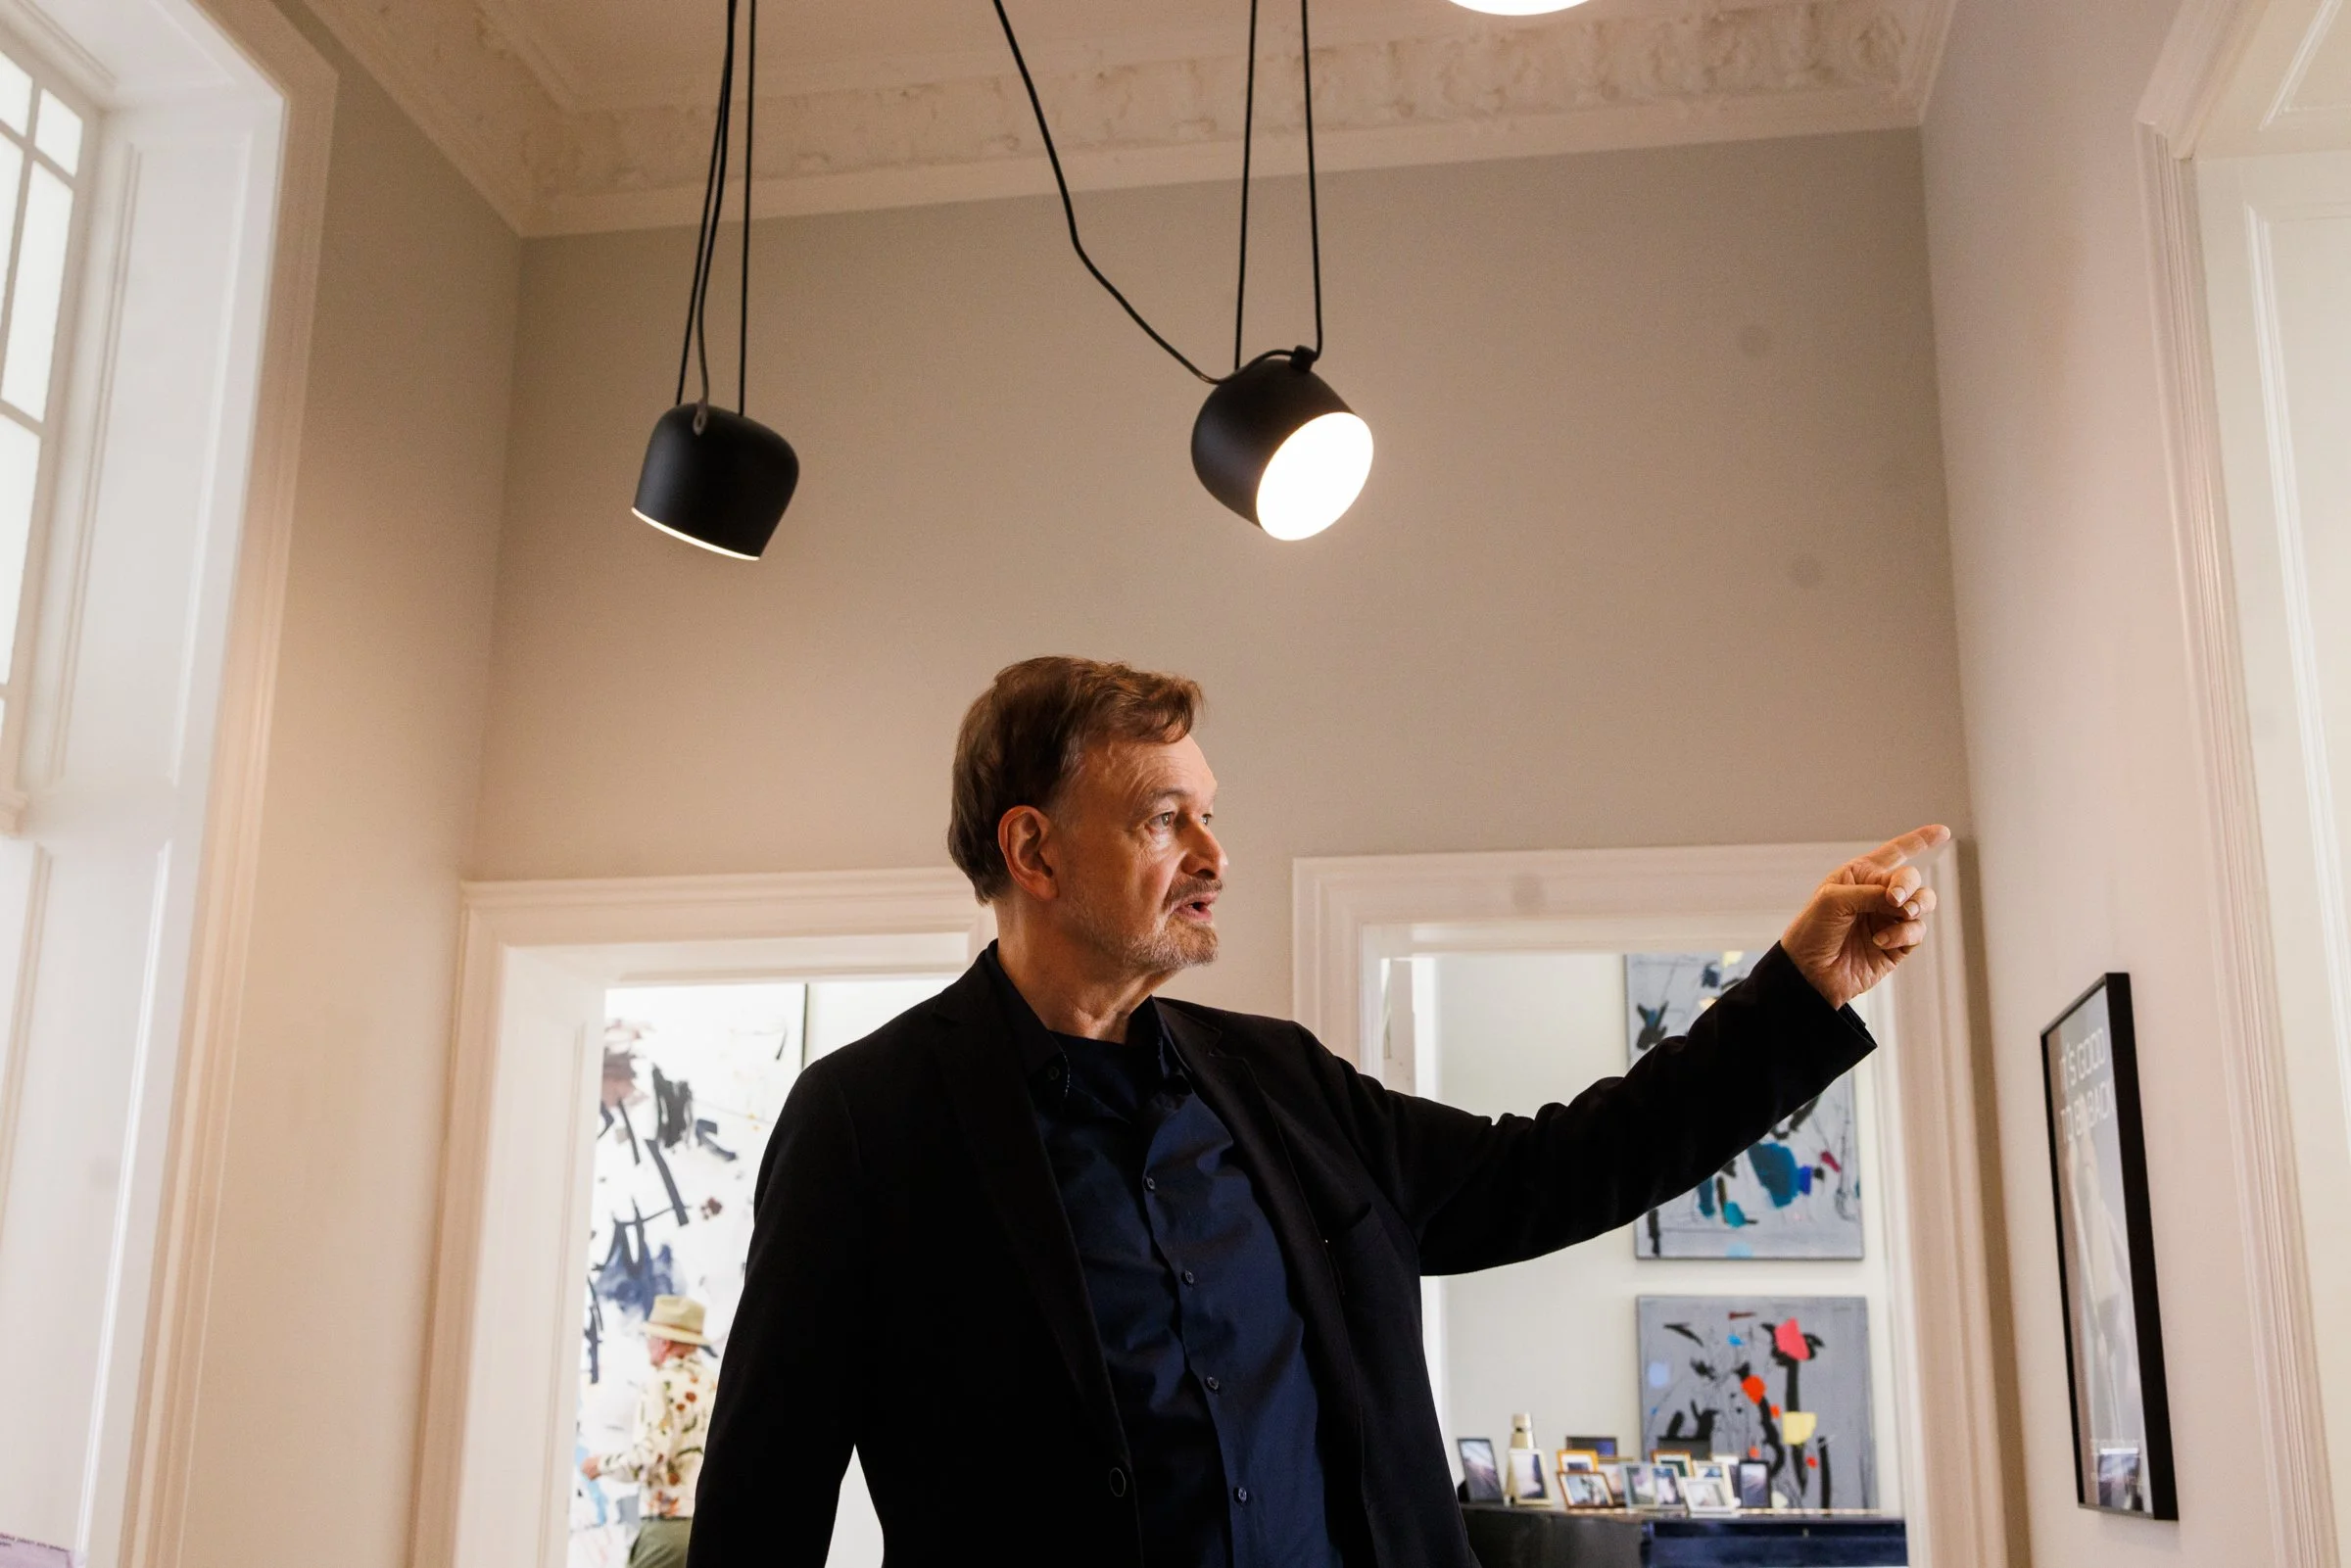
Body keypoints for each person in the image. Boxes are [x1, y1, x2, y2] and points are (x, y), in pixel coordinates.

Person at [691, 656, 1945, 1568]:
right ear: (1035, 850)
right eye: (1165, 817)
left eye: (1211, 810)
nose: (1216, 853)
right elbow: (761, 1510)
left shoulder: (1280, 1082)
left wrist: (1795, 992)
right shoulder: (864, 1121)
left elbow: (1558, 1167)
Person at [584, 1295, 718, 1568]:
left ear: (664, 1343)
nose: (647, 1347)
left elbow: (650, 1454)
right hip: (703, 1526)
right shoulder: (712, 1384)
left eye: (650, 1339)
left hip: (666, 1527)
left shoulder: (661, 1384)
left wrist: (602, 1465)